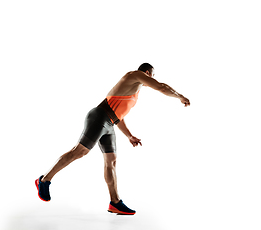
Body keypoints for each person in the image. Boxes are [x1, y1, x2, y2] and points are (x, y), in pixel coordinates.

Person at [35, 63, 190, 215]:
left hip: (109, 123)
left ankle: (115, 202)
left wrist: (129, 135)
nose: (152, 81)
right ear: (147, 73)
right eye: (153, 76)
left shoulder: (134, 90)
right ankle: (44, 180)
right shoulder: (135, 75)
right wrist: (180, 96)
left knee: (112, 161)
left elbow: (119, 116)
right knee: (80, 151)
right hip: (99, 117)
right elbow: (162, 87)